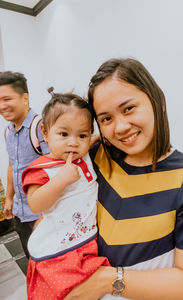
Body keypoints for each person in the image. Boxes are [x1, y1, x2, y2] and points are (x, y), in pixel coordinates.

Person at [64, 58, 183, 300]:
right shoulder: (97, 159)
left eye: (128, 108)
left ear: (157, 100)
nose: (121, 127)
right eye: (106, 119)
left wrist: (107, 280)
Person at [22, 92, 109, 300]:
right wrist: (60, 181)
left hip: (86, 242)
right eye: (63, 134)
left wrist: (100, 137)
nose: (73, 143)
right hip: (59, 252)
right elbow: (35, 204)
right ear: (44, 131)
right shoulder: (43, 168)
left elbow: (92, 142)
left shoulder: (84, 154)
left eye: (82, 135)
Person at [0, 71, 49, 258]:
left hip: (42, 215)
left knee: (49, 264)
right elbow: (13, 166)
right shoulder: (8, 132)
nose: (2, 106)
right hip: (21, 214)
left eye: (6, 99)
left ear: (25, 97)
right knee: (32, 261)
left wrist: (48, 215)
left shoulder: (40, 127)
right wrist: (10, 199)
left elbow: (55, 168)